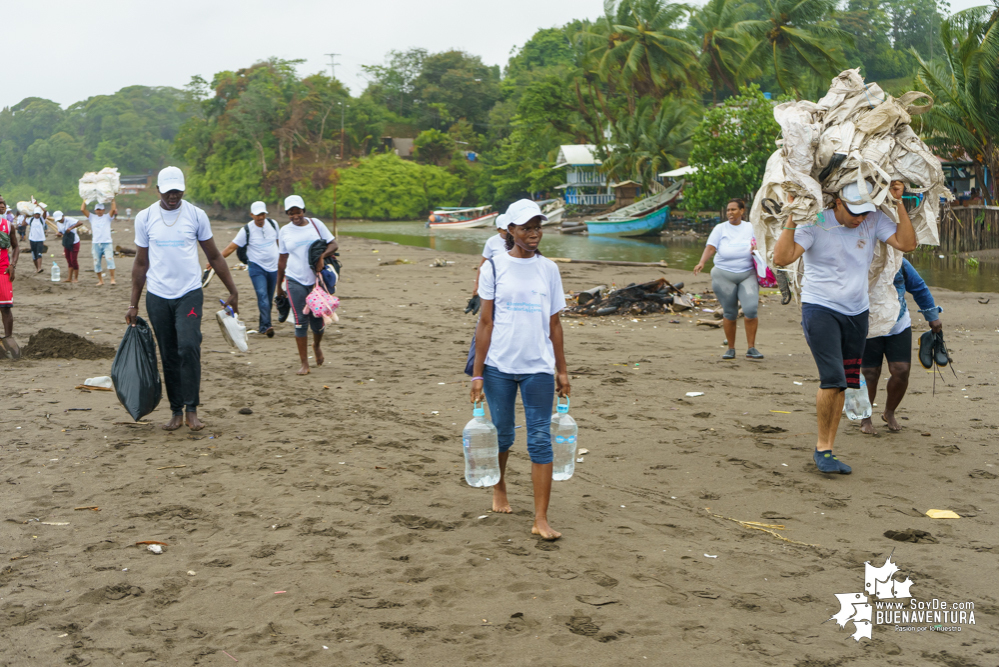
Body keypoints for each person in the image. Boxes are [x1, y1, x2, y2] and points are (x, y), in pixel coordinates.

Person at [773, 179, 917, 474]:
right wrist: (792, 213)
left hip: (857, 313)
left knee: (847, 384)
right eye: (855, 212)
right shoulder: (815, 222)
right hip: (820, 309)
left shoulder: (873, 219)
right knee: (834, 379)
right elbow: (782, 258)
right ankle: (823, 450)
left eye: (865, 211)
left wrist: (898, 202)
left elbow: (907, 244)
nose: (860, 218)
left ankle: (828, 448)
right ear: (838, 202)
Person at [469, 199, 570, 541]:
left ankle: (541, 518)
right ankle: (500, 488)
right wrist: (478, 374)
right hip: (498, 366)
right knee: (504, 433)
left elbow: (555, 324)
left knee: (541, 439)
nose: (534, 234)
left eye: (538, 227)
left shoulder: (549, 269)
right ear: (510, 230)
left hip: (538, 367)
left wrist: (562, 370)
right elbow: (485, 322)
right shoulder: (494, 267)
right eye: (526, 228)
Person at [126, 166, 239, 431]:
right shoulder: (145, 218)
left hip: (189, 293)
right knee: (168, 353)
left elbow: (214, 256)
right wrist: (133, 303)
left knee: (189, 347)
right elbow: (141, 264)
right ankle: (176, 411)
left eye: (177, 190)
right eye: (168, 191)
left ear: (183, 189)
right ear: (158, 191)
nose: (173, 196)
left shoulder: (196, 216)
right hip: (157, 295)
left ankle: (192, 409)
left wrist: (233, 290)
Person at [860, 259, 942, 434]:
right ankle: (865, 418)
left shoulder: (900, 262)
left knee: (901, 370)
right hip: (868, 324)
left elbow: (919, 287)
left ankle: (889, 412)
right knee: (870, 373)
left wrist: (932, 316)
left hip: (898, 323)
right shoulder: (858, 257)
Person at [693, 198, 763, 360]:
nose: (730, 213)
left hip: (747, 273)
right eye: (728, 210)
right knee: (730, 312)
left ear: (742, 211)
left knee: (751, 309)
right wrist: (702, 262)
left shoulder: (751, 227)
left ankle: (751, 348)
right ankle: (731, 349)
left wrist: (756, 248)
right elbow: (710, 247)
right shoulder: (720, 228)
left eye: (734, 210)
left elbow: (759, 243)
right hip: (723, 275)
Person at [275, 195, 337, 375]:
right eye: (291, 213)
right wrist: (279, 286)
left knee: (317, 320)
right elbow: (282, 259)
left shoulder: (315, 225)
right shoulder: (284, 231)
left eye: (298, 212)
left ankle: (316, 345)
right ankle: (304, 364)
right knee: (300, 321)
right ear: (287, 214)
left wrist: (321, 257)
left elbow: (334, 244)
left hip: (316, 280)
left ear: (304, 211)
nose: (295, 216)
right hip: (294, 279)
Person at [209, 201, 280, 337]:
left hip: (273, 268)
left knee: (268, 297)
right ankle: (266, 326)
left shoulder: (273, 224)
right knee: (262, 295)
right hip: (256, 267)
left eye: (263, 214)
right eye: (258, 215)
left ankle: (263, 325)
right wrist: (214, 260)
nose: (260, 218)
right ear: (251, 215)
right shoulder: (246, 230)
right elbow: (231, 247)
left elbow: (279, 243)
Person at [465, 213, 509, 315]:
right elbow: (483, 265)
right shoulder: (492, 242)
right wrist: (477, 287)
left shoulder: (518, 241)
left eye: (510, 229)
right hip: (495, 282)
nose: (509, 232)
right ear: (498, 230)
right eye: (505, 230)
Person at [80, 199, 118, 285]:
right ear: (95, 210)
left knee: (110, 260)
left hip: (107, 242)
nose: (99, 211)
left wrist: (112, 200)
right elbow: (82, 209)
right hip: (96, 243)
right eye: (97, 210)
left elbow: (113, 210)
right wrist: (85, 200)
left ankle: (112, 279)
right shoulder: (92, 217)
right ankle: (100, 280)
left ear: (103, 210)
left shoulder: (107, 217)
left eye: (100, 210)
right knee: (96, 262)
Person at [0, 198, 20, 359]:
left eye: (3, 203)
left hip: (3, 270)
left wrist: (13, 265)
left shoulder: (8, 225)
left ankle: (8, 337)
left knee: (6, 307)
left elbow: (16, 246)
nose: (1, 205)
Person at [54, 211, 83, 283]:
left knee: (74, 260)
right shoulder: (58, 223)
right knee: (68, 259)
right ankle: (69, 278)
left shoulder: (69, 219)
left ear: (63, 216)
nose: (60, 221)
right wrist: (59, 234)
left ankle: (76, 278)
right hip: (67, 242)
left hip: (74, 242)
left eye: (61, 219)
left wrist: (71, 228)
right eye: (58, 220)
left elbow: (80, 222)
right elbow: (61, 232)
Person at [27, 207, 47, 273]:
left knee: (39, 254)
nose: (37, 215)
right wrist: (25, 217)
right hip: (32, 239)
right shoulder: (31, 219)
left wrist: (38, 205)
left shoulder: (42, 219)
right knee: (34, 255)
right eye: (36, 214)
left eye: (38, 214)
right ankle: (37, 268)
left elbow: (45, 211)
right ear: (34, 214)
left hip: (40, 239)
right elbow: (24, 223)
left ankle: (39, 268)